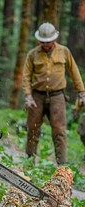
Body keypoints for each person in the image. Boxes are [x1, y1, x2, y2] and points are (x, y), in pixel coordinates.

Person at [22, 22, 85, 165]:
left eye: (48, 42)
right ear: (39, 41)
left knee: (59, 130)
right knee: (33, 128)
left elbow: (74, 72)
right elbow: (26, 76)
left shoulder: (64, 52)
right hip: (37, 96)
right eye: (43, 42)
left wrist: (81, 93)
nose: (46, 45)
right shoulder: (32, 54)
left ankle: (62, 165)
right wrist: (27, 95)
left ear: (54, 39)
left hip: (57, 96)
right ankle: (29, 161)